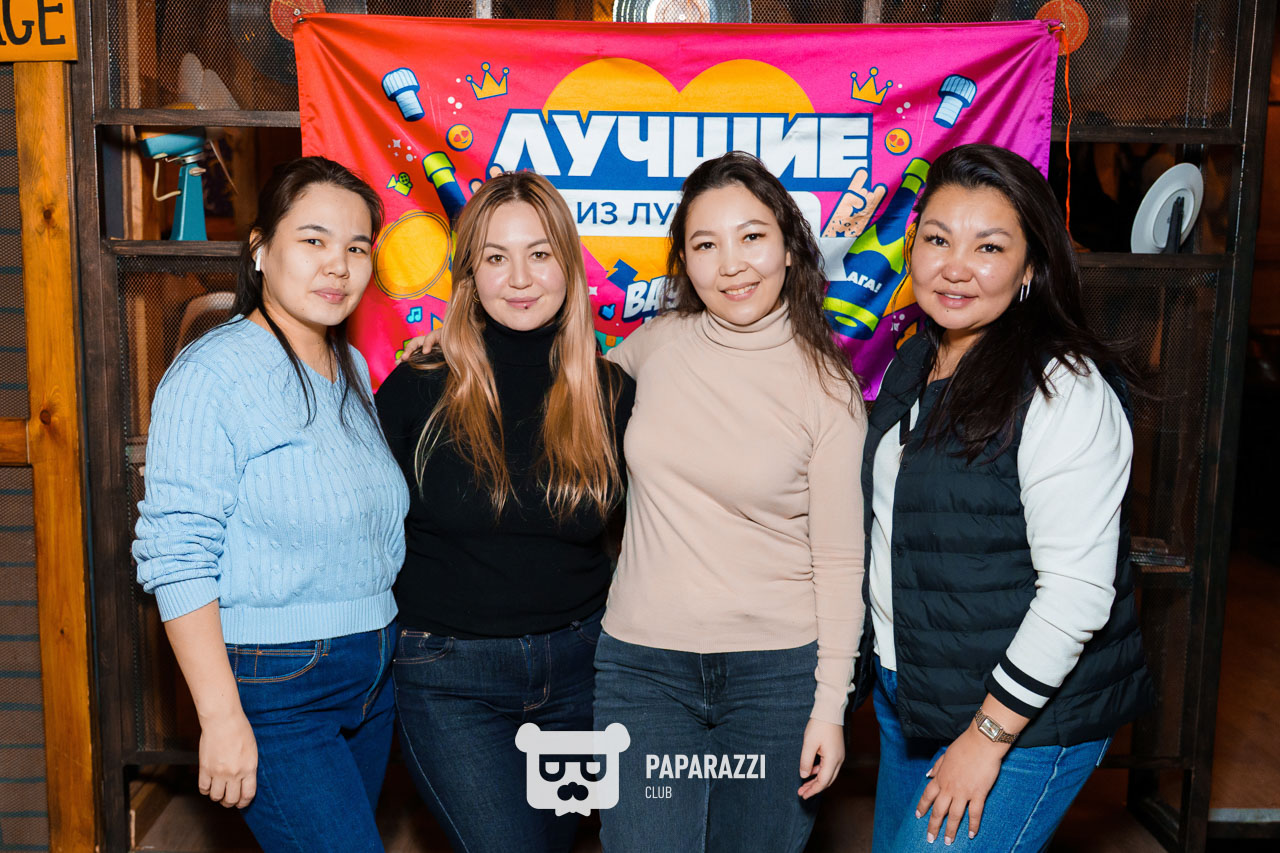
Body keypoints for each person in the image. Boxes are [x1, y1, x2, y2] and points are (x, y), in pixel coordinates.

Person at [857, 143, 1156, 852]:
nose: (955, 266)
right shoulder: (916, 359)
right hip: (912, 696)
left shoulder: (1062, 386)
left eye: (989, 247)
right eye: (938, 239)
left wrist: (986, 737)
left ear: (1030, 268)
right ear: (912, 246)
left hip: (1019, 719)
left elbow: (1076, 595)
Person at [133, 156, 408, 852]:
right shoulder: (212, 373)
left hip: (373, 675)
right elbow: (177, 556)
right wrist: (221, 716)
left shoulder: (350, 367)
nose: (338, 265)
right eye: (314, 240)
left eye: (357, 248)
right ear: (260, 250)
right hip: (279, 686)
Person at [593, 152, 866, 852]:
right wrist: (452, 349)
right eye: (706, 244)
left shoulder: (828, 389)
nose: (732, 264)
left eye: (752, 236)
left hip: (775, 680)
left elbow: (840, 564)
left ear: (789, 247)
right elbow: (548, 396)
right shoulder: (653, 347)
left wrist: (829, 706)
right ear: (684, 262)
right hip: (644, 672)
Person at [375, 171, 634, 853]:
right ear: (469, 275)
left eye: (539, 253)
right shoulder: (418, 386)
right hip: (449, 678)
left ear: (569, 266)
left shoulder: (611, 393)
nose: (519, 278)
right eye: (496, 257)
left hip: (583, 670)